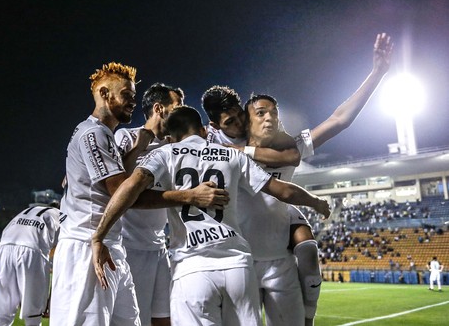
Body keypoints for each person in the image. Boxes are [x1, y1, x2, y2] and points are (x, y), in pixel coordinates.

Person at [92, 106, 330, 326]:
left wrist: (99, 235)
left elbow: (128, 189)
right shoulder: (233, 156)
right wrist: (316, 201)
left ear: (171, 137)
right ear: (204, 130)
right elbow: (283, 190)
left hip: (192, 268)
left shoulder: (166, 153)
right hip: (238, 266)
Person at [50, 63, 227, 325]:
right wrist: (189, 196)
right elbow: (123, 192)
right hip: (87, 245)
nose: (132, 102)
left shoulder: (105, 135)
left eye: (133, 96)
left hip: (115, 244)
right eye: (126, 96)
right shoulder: (95, 134)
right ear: (104, 93)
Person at [240, 33, 392, 326]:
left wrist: (377, 73)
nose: (270, 117)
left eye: (274, 112)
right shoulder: (227, 149)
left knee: (308, 255)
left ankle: (309, 317)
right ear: (247, 121)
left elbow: (339, 120)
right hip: (241, 256)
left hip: (277, 253)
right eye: (261, 113)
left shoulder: (290, 147)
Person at [114, 83, 184, 326]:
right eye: (177, 108)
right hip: (129, 248)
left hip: (158, 248)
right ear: (159, 109)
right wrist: (139, 148)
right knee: (134, 320)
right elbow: (116, 186)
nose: (182, 113)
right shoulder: (125, 136)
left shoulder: (175, 146)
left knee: (164, 319)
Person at [0, 205, 64, 326]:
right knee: (33, 314)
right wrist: (50, 301)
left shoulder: (29, 211)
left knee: (5, 314)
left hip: (4, 248)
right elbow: (60, 258)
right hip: (31, 250)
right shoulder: (62, 216)